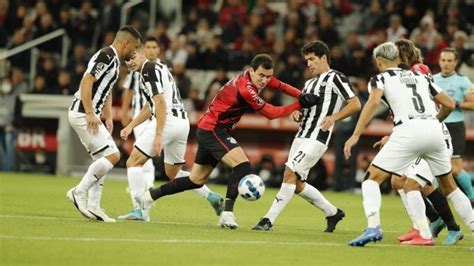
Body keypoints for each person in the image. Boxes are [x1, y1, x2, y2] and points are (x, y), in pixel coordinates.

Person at [138, 54, 321, 229]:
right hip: (214, 129)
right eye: (262, 76)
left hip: (209, 128)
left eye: (268, 76)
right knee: (242, 165)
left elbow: (280, 85)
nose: (265, 80)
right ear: (251, 71)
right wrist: (300, 104)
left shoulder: (257, 77)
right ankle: (227, 214)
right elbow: (271, 113)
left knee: (196, 180)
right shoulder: (246, 89)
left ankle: (149, 196)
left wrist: (301, 94)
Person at [344, 42, 473, 246]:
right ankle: (438, 230)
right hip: (435, 129)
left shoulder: (380, 78)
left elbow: (373, 102)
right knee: (450, 187)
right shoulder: (421, 75)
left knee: (371, 179)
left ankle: (374, 227)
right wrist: (433, 121)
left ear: (379, 61)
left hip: (409, 129)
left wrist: (356, 134)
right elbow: (448, 104)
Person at [252, 40, 361, 232]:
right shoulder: (309, 83)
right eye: (307, 60)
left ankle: (268, 220)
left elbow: (355, 104)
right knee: (298, 184)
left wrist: (334, 117)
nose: (309, 64)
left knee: (289, 173)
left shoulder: (335, 78)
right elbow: (305, 106)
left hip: (317, 137)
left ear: (324, 58)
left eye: (312, 59)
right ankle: (332, 212)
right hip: (301, 135)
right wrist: (297, 113)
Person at [117, 38, 224, 221]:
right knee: (173, 173)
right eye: (127, 60)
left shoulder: (148, 70)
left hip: (168, 121)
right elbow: (152, 105)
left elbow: (159, 103)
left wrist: (158, 135)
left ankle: (139, 210)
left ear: (143, 54)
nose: (130, 62)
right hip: (182, 122)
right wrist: (131, 125)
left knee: (133, 162)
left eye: (133, 57)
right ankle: (211, 196)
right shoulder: (161, 69)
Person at [66, 25, 142, 223]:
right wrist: (91, 112)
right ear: (125, 42)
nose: (134, 52)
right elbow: (87, 81)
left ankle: (94, 205)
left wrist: (107, 116)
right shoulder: (106, 55)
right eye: (134, 47)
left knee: (103, 160)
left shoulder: (115, 61)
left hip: (89, 114)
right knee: (113, 155)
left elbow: (105, 89)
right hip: (83, 113)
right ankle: (78, 192)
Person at [392, 39, 464, 245]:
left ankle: (446, 226)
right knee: (402, 181)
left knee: (435, 183)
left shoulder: (418, 70)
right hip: (415, 131)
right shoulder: (402, 74)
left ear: (401, 56)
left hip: (429, 132)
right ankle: (428, 222)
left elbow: (424, 101)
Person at [433, 48, 474, 205]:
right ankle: (437, 203)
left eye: (450, 61)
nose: (446, 64)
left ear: (456, 63)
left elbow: (472, 103)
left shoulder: (462, 81)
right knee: (434, 166)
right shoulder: (432, 79)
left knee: (455, 168)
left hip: (454, 125)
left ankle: (472, 196)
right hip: (436, 125)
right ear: (439, 61)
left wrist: (455, 103)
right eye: (443, 60)